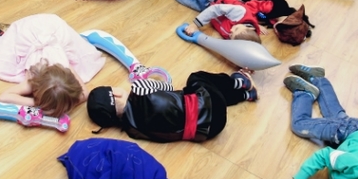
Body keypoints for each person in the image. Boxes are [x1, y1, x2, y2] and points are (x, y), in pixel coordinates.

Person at [0, 13, 105, 116]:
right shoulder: (32, 81)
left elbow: (85, 94)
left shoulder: (66, 68)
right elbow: (3, 97)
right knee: (6, 48)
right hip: (28, 32)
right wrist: (38, 105)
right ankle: (5, 32)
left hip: (51, 28)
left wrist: (64, 104)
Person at [86, 70, 257, 142]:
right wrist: (148, 81)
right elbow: (167, 87)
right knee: (195, 79)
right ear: (116, 94)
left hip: (209, 131)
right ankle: (238, 82)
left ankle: (246, 95)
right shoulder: (138, 89)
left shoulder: (133, 132)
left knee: (198, 96)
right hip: (213, 104)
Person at [284, 65, 358, 179]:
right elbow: (324, 155)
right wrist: (299, 178)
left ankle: (317, 78)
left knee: (332, 111)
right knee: (299, 124)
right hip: (350, 132)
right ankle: (304, 93)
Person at [182, 0, 269, 44]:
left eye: (231, 35)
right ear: (250, 28)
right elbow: (215, 9)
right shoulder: (241, 13)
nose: (231, 30)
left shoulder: (235, 37)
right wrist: (195, 25)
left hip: (206, 8)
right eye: (236, 29)